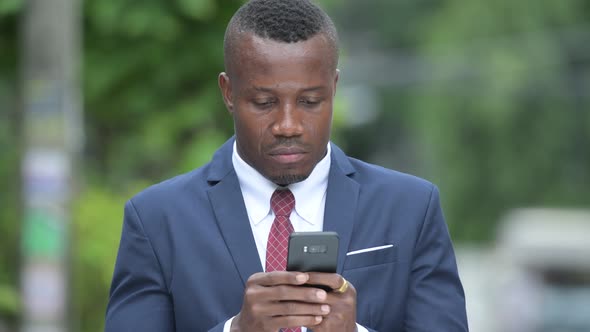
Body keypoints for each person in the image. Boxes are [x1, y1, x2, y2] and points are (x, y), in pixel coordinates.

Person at [105, 0, 468, 331]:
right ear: (229, 93)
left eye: (310, 101)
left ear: (335, 87)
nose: (288, 125)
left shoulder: (411, 208)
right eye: (264, 102)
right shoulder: (156, 220)